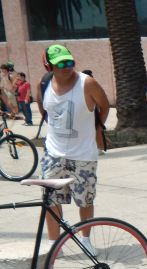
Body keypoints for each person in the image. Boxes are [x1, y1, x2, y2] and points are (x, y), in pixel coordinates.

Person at [40, 44, 109, 252]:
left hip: (83, 155)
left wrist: (97, 129)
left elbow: (104, 106)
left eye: (69, 62)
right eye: (60, 63)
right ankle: (54, 244)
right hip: (53, 153)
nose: (67, 67)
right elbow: (44, 110)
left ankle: (85, 240)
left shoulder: (87, 83)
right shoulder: (44, 83)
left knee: (85, 200)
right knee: (51, 200)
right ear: (49, 66)